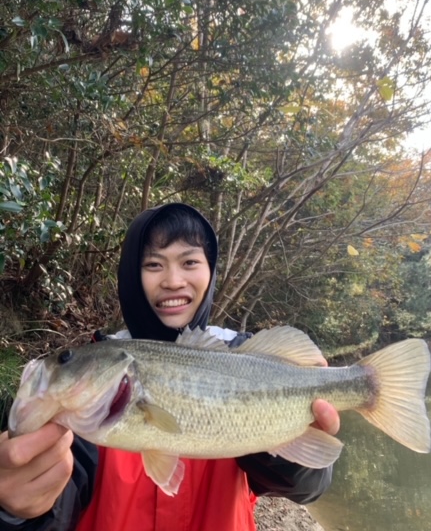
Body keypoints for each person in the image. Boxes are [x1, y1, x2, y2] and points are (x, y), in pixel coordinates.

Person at [0, 203, 340, 531]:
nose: (174, 280)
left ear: (210, 270)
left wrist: (290, 457)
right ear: (131, 276)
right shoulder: (93, 383)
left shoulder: (245, 356)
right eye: (153, 264)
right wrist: (17, 512)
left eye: (190, 261)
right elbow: (59, 507)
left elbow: (308, 488)